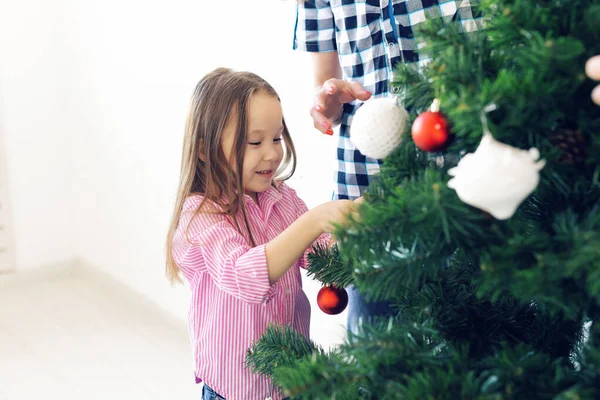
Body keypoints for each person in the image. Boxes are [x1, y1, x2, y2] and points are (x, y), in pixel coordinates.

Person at [165, 68, 361, 400]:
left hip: (291, 383)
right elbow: (243, 274)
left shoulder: (282, 199)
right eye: (255, 142)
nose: (271, 153)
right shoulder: (200, 214)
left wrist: (356, 228)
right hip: (232, 391)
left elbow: (323, 256)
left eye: (276, 137)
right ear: (204, 150)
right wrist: (316, 220)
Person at [292, 0, 483, 333]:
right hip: (371, 199)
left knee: (491, 343)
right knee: (380, 357)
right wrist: (327, 101)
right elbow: (325, 84)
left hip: (472, 182)